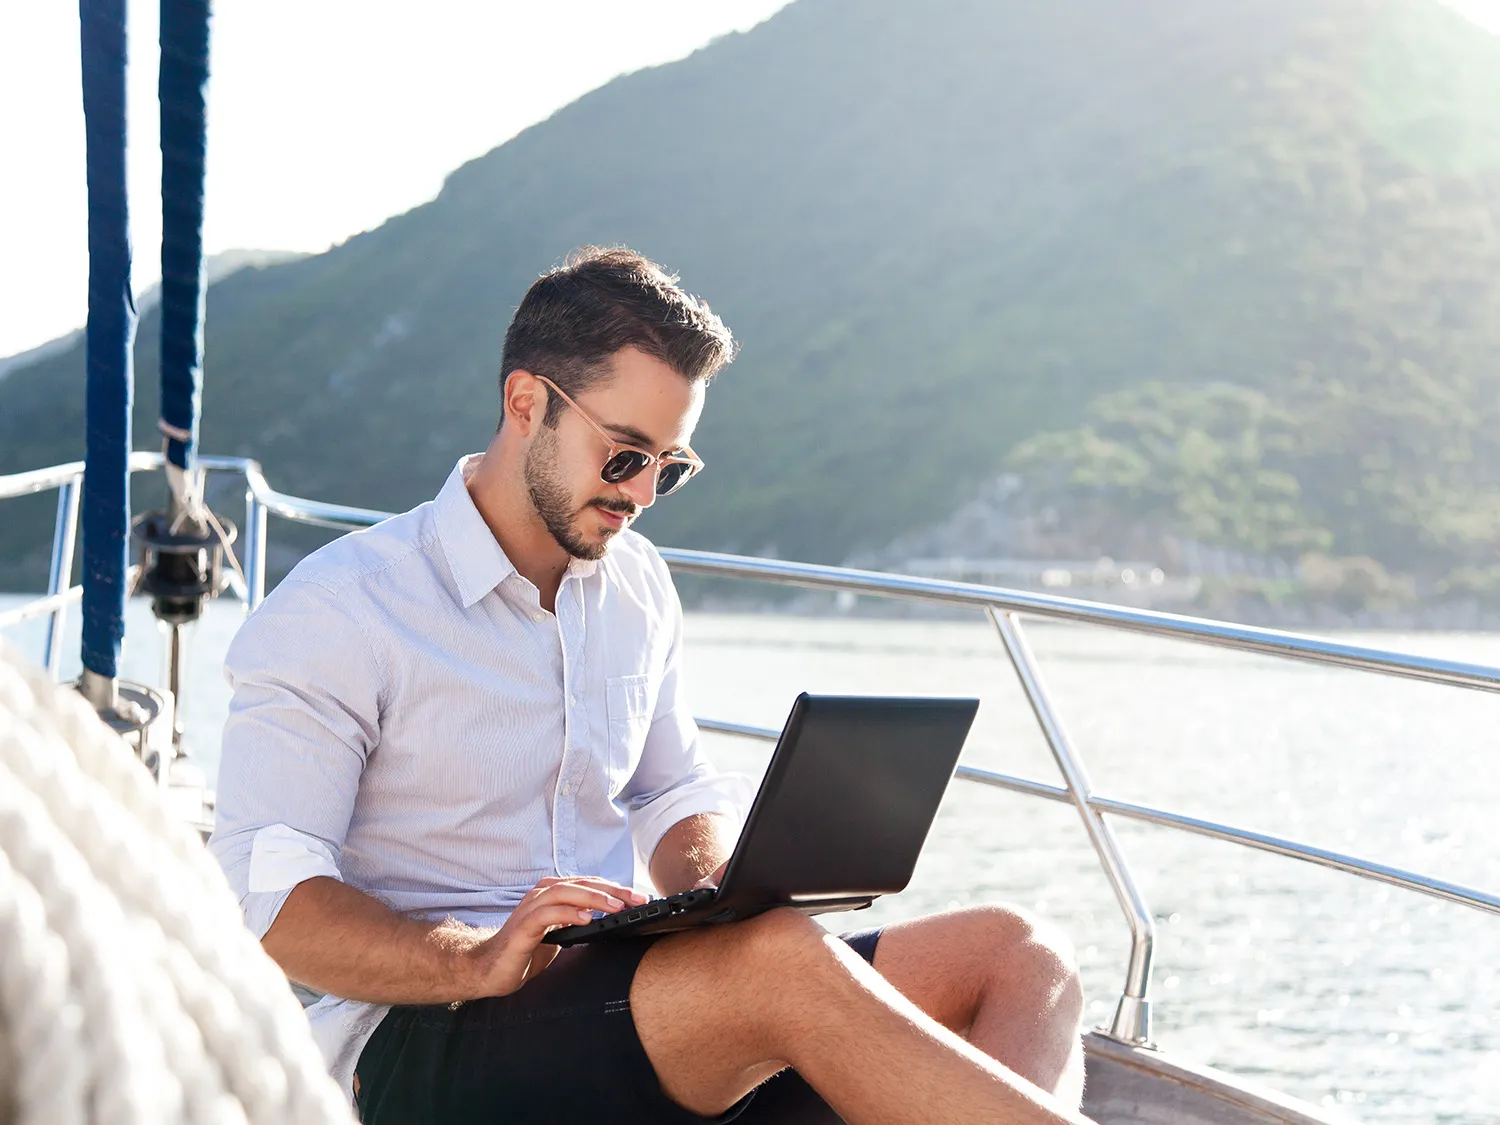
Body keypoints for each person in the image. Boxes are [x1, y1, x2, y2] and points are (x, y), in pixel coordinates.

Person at [209, 246, 1088, 1125]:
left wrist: (719, 897)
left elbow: (669, 788)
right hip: (423, 1036)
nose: (644, 495)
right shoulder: (342, 609)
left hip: (628, 1005)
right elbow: (269, 902)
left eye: (670, 465)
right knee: (784, 966)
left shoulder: (636, 586)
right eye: (626, 454)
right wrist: (477, 956)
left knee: (1022, 958)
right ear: (526, 403)